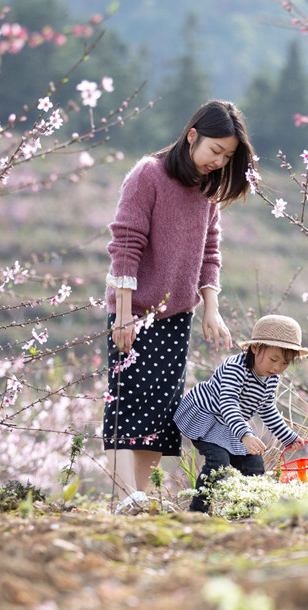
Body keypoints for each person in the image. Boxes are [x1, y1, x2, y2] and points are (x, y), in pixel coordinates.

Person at [104, 100, 256, 515]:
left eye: (226, 157)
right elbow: (126, 244)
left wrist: (212, 307)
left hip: (177, 318)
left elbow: (210, 252)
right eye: (215, 151)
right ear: (192, 135)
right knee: (127, 404)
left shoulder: (206, 191)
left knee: (159, 411)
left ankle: (142, 498)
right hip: (134, 314)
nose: (218, 162)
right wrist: (122, 313)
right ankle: (124, 500)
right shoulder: (148, 175)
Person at [174, 314, 308, 513]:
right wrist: (245, 435)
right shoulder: (235, 368)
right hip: (208, 418)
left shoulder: (271, 377)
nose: (277, 368)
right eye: (274, 359)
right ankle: (197, 512)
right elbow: (228, 404)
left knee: (254, 465)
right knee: (218, 462)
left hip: (233, 426)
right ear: (255, 348)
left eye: (285, 363)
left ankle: (246, 511)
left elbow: (267, 408)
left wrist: (288, 437)